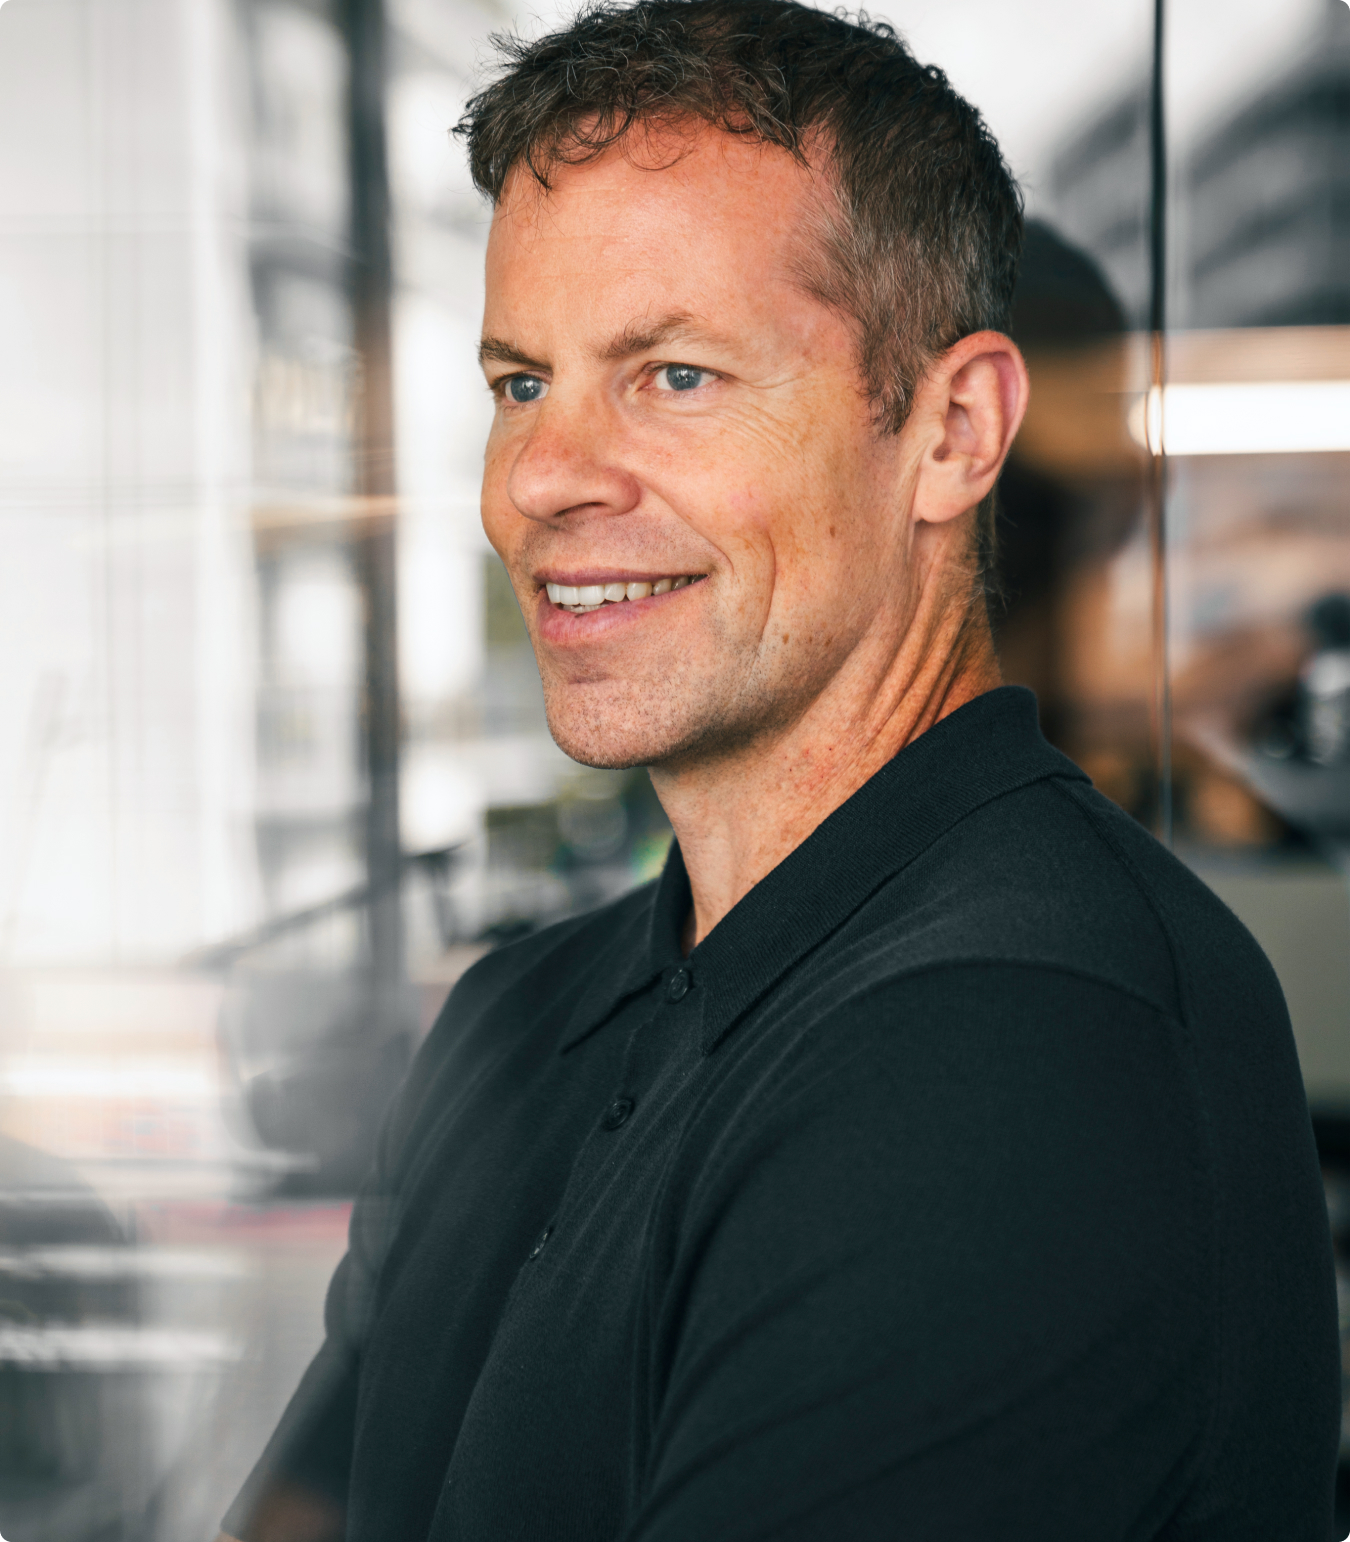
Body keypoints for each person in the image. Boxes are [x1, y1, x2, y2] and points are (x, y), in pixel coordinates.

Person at [220, 3, 1340, 1537]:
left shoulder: (1015, 1046)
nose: (543, 477)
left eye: (674, 375)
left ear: (952, 431)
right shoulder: (514, 1025)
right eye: (519, 382)